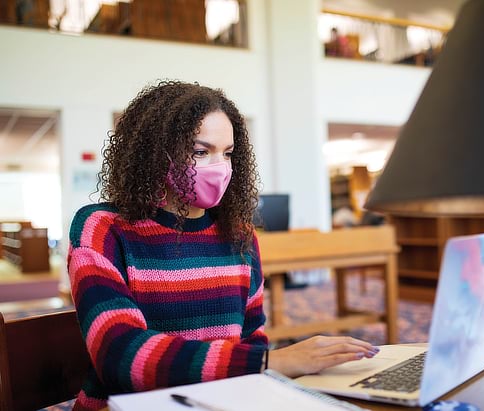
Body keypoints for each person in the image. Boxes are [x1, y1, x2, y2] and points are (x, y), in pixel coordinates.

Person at [67, 80, 379, 411]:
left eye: (227, 153)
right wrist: (266, 362)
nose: (219, 167)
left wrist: (264, 367)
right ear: (154, 154)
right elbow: (120, 357)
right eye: (200, 152)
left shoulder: (239, 235)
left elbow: (251, 340)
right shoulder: (102, 227)